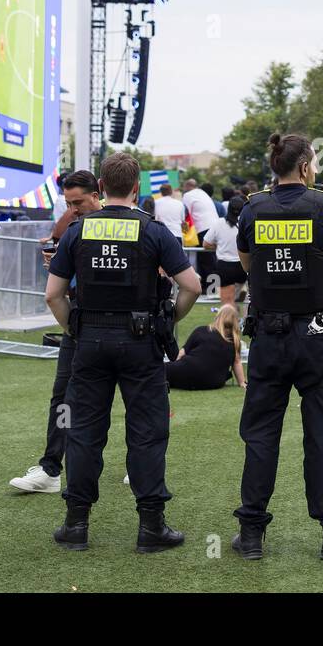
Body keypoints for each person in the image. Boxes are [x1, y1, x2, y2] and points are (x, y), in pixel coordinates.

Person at [45, 152, 202, 552]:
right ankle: (151, 529)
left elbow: (53, 294)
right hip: (140, 341)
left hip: (89, 342)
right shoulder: (153, 231)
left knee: (83, 433)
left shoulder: (78, 230)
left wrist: (74, 328)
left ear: (100, 187)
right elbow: (193, 286)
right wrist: (168, 321)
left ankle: (76, 526)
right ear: (136, 188)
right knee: (147, 434)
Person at [232, 133, 323, 562]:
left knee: (261, 436)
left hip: (269, 337)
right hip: (317, 335)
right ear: (305, 167)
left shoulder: (253, 208)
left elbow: (249, 264)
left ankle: (251, 534)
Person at [10, 169, 103, 493]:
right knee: (63, 398)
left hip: (115, 329)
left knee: (135, 399)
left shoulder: (123, 226)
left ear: (97, 194)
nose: (73, 208)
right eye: (69, 202)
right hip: (80, 324)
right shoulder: (74, 227)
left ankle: (140, 466)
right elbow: (55, 292)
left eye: (78, 201)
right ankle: (51, 468)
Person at [168, 304, 246, 390]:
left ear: (217, 318)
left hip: (187, 371)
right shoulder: (234, 342)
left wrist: (174, 365)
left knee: (158, 372)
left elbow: (181, 353)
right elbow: (237, 362)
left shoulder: (201, 330)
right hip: (213, 382)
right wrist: (242, 382)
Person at [203, 195, 246, 307]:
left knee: (226, 304)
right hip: (242, 266)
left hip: (224, 266)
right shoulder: (245, 223)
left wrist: (218, 246)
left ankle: (229, 319)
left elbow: (206, 244)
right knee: (243, 300)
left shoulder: (219, 223)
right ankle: (240, 290)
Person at [182, 179, 220, 288]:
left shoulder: (187, 196)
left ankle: (209, 288)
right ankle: (213, 287)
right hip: (215, 225)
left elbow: (185, 215)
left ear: (187, 186)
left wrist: (184, 233)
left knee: (205, 259)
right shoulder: (202, 193)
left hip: (203, 228)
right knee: (212, 258)